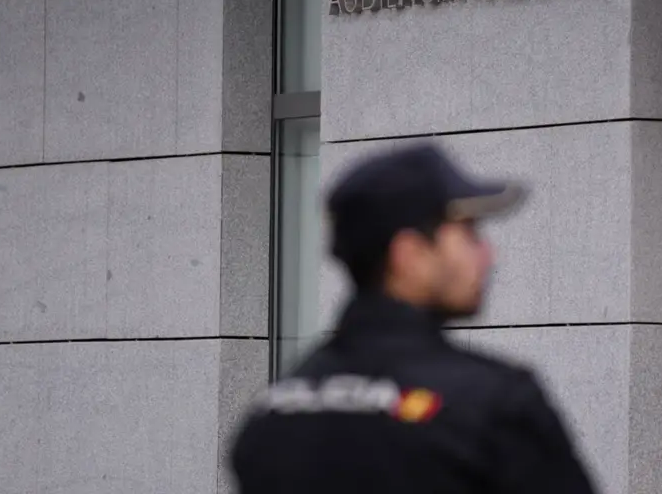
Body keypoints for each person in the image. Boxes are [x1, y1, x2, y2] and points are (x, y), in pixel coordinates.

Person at [229, 142, 598, 493]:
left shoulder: (272, 414)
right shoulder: (495, 406)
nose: (487, 255)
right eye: (469, 234)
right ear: (410, 254)